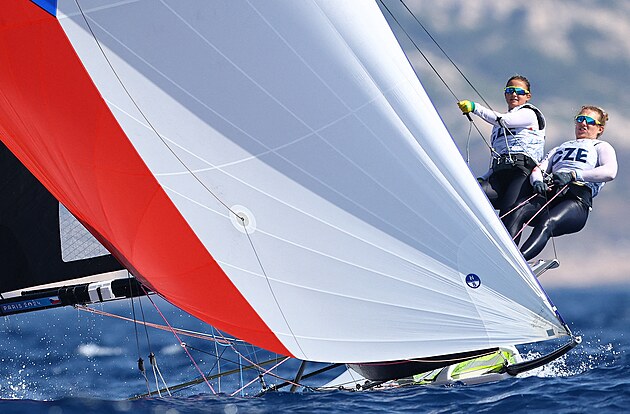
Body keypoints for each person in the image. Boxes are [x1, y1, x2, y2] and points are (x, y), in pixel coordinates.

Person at [503, 105, 618, 261]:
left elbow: (610, 172)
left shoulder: (601, 147)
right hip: (552, 195)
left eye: (590, 121)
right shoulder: (560, 148)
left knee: (547, 223)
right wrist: (537, 182)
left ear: (600, 129)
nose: (583, 123)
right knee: (517, 209)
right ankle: (504, 255)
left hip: (576, 201)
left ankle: (517, 262)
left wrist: (573, 175)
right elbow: (539, 170)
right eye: (580, 119)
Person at [457, 75, 546, 229]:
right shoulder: (497, 126)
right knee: (469, 193)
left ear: (528, 96)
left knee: (508, 217)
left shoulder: (529, 113)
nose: (514, 94)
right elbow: (497, 155)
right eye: (510, 90)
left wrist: (475, 107)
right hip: (499, 174)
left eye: (519, 91)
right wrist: (484, 177)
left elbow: (505, 120)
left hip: (521, 173)